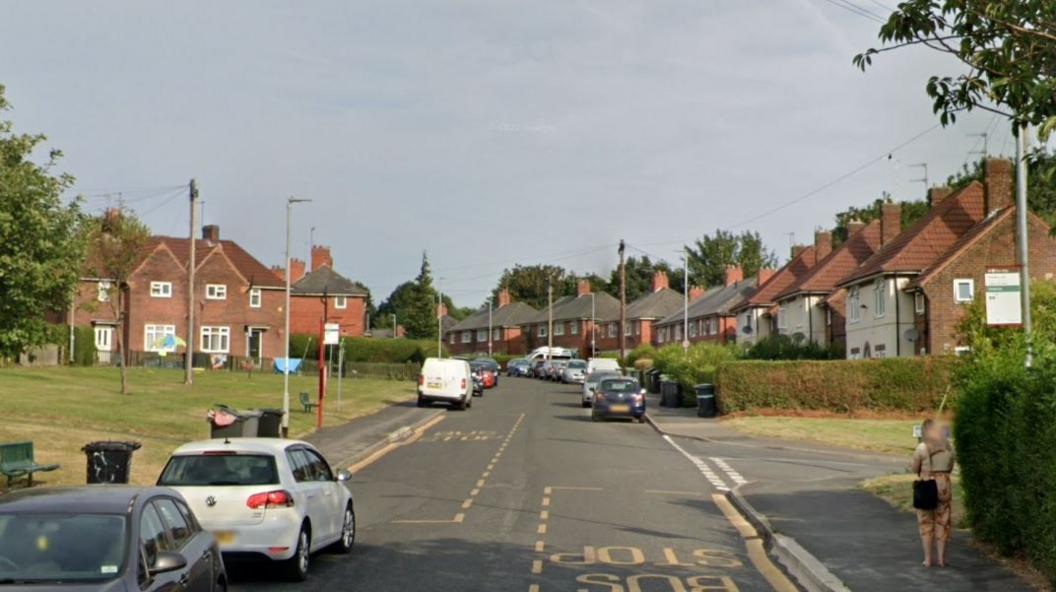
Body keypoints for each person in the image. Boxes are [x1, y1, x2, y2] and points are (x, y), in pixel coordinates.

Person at [911, 418, 956, 567]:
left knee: (925, 521)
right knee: (943, 521)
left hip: (926, 484)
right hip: (944, 483)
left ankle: (928, 559)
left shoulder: (922, 447)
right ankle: (942, 559)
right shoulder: (948, 446)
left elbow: (914, 468)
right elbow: (950, 466)